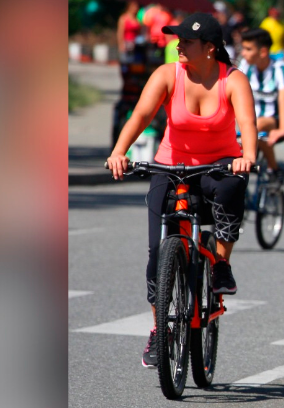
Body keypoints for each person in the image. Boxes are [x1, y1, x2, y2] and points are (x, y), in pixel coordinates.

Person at [105, 13, 257, 369]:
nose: (178, 46)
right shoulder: (166, 74)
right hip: (170, 166)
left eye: (186, 42)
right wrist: (119, 152)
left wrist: (246, 157)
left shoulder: (232, 80)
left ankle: (220, 264)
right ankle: (161, 328)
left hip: (217, 166)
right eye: (178, 40)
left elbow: (247, 123)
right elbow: (141, 115)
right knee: (157, 253)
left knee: (234, 186)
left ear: (209, 48)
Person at [238, 29, 284, 178]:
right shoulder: (245, 66)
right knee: (254, 130)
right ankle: (272, 169)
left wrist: (282, 129)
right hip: (253, 121)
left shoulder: (280, 68)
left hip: (280, 119)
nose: (243, 53)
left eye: (248, 49)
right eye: (243, 48)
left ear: (263, 52)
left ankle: (273, 169)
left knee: (258, 125)